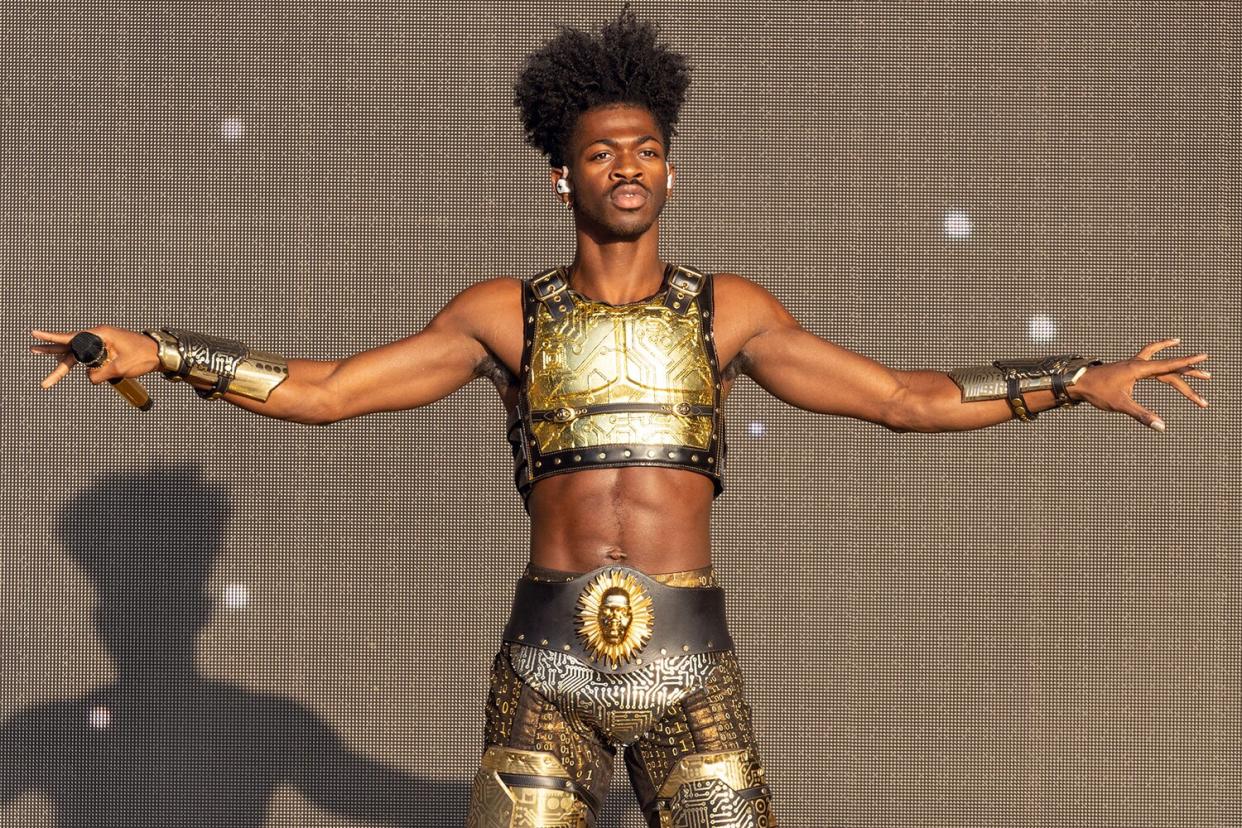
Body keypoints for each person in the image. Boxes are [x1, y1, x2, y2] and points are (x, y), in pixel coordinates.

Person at [30, 9, 1211, 827]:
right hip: (545, 667)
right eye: (605, 152)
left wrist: (1072, 377)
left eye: (648, 149)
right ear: (566, 175)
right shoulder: (503, 315)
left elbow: (903, 400)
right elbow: (333, 391)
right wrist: (166, 350)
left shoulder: (731, 314)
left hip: (689, 666)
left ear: (671, 171)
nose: (630, 166)